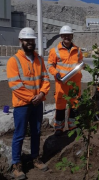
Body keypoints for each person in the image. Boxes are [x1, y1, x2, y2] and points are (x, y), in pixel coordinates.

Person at [6, 27, 50, 179]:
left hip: (37, 103)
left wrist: (43, 93)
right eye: (27, 40)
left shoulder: (39, 59)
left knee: (37, 132)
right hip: (22, 104)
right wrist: (32, 97)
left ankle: (35, 158)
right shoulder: (14, 61)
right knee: (19, 134)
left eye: (31, 40)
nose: (30, 43)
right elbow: (15, 84)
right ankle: (16, 164)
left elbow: (45, 78)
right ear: (21, 41)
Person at [48, 25, 83, 136]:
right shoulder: (55, 51)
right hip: (61, 83)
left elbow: (80, 63)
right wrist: (56, 74)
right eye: (64, 35)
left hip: (75, 83)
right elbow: (50, 65)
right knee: (60, 106)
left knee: (74, 105)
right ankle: (59, 128)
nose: (66, 37)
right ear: (61, 36)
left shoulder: (78, 50)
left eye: (68, 35)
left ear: (72, 36)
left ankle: (72, 126)